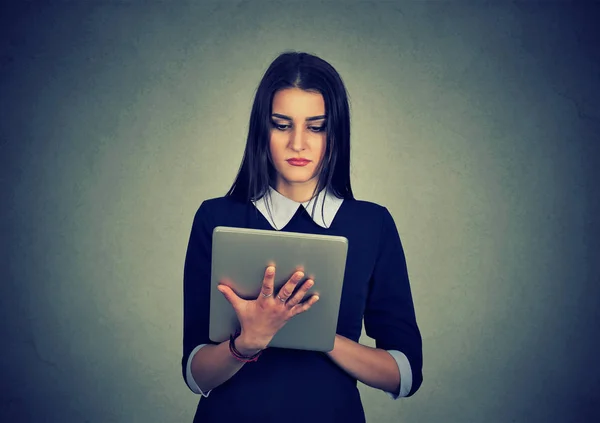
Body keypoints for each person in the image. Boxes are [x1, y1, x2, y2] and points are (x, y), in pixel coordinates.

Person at [182, 51, 422, 422]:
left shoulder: (372, 224)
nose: (298, 144)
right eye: (282, 125)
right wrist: (247, 342)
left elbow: (405, 374)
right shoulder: (216, 218)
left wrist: (316, 334)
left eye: (316, 126)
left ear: (335, 132)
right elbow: (195, 374)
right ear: (263, 130)